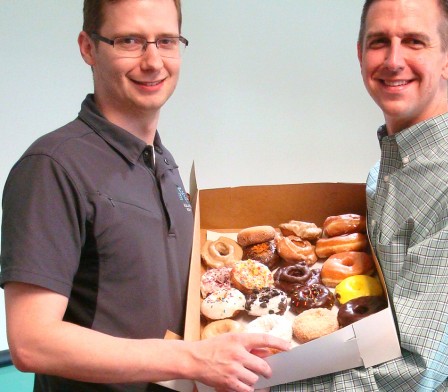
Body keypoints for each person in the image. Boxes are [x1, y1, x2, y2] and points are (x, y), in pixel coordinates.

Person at [0, 1, 289, 391]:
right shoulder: (53, 166)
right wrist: (193, 359)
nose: (153, 61)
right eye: (130, 40)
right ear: (88, 48)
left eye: (166, 41)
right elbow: (33, 343)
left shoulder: (164, 166)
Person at [272, 0, 448, 391]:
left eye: (414, 41)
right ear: (361, 54)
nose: (393, 60)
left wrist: (263, 385)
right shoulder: (386, 169)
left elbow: (415, 373)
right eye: (379, 41)